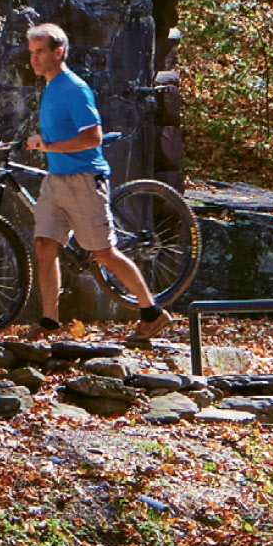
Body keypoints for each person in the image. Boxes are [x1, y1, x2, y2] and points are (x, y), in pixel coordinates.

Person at [20, 18, 162, 336]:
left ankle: (151, 312)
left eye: (40, 51)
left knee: (103, 253)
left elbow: (93, 137)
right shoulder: (50, 87)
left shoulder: (74, 88)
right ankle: (49, 322)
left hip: (84, 180)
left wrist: (50, 145)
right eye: (31, 52)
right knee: (44, 245)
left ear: (61, 51)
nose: (34, 58)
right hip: (55, 180)